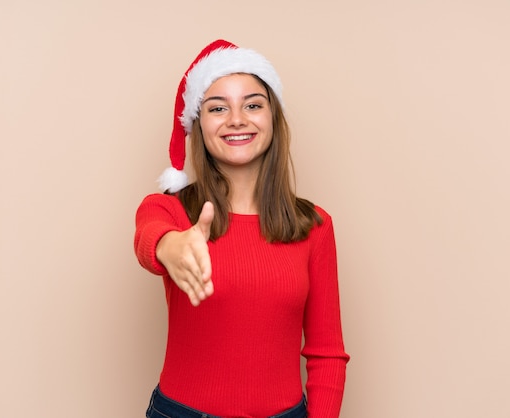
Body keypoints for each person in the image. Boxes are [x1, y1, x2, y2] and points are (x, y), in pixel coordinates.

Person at [134, 39, 349, 418]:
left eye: (252, 105)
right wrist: (171, 247)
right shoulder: (172, 211)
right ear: (199, 126)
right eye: (218, 108)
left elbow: (327, 353)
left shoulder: (314, 226)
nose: (237, 119)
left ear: (272, 118)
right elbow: (148, 237)